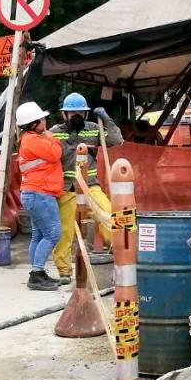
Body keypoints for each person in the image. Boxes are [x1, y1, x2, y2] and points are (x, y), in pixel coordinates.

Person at [49, 92, 123, 283]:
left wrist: (106, 119)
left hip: (90, 186)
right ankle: (64, 271)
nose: (76, 116)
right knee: (64, 231)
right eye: (72, 113)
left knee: (109, 216)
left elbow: (117, 140)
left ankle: (122, 257)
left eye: (80, 113)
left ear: (86, 114)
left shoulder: (93, 129)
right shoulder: (55, 132)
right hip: (67, 188)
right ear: (64, 114)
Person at [16, 101, 64, 292]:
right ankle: (36, 274)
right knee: (53, 234)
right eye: (42, 119)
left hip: (33, 194)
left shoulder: (28, 139)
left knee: (39, 235)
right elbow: (56, 153)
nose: (45, 121)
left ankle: (38, 272)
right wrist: (52, 137)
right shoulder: (34, 140)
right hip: (40, 194)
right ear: (34, 123)